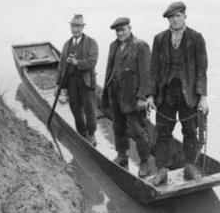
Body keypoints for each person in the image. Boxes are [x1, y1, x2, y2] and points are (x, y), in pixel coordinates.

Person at [148, 2, 209, 186]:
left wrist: (203, 97)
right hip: (165, 93)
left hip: (188, 94)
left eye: (178, 16)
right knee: (162, 131)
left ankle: (190, 166)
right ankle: (163, 170)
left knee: (190, 131)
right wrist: (151, 95)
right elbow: (153, 70)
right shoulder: (159, 39)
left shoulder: (196, 38)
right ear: (168, 20)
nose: (175, 20)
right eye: (171, 17)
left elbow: (202, 69)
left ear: (185, 17)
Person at [101, 17, 151, 178]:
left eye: (123, 30)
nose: (120, 33)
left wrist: (143, 97)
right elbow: (109, 70)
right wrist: (106, 93)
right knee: (118, 126)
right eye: (117, 31)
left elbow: (146, 74)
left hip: (132, 97)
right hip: (115, 94)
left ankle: (144, 162)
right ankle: (122, 155)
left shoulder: (140, 46)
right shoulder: (113, 45)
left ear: (130, 28)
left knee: (138, 131)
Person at [56, 14, 99, 146]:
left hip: (86, 82)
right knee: (75, 108)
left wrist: (76, 62)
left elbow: (92, 62)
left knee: (89, 109)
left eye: (78, 26)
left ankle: (91, 134)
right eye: (73, 26)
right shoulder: (67, 44)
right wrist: (60, 85)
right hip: (71, 83)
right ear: (70, 27)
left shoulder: (92, 43)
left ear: (82, 27)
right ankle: (82, 132)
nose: (75, 29)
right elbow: (62, 65)